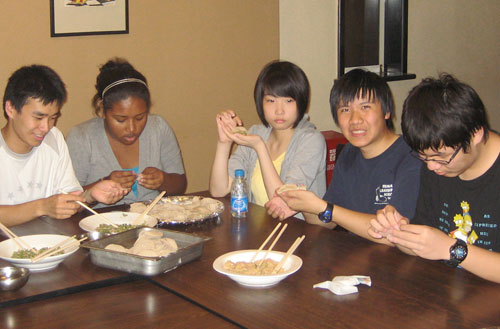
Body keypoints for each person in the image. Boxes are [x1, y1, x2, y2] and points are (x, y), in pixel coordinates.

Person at [368, 73, 500, 283]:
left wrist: (452, 250)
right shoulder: (435, 165)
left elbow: (442, 248)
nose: (431, 166)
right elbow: (429, 244)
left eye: (441, 157)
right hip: (446, 297)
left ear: (475, 134)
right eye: (423, 157)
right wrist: (398, 233)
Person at [267, 69, 421, 243]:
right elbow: (326, 222)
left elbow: (392, 236)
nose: (355, 119)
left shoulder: (410, 155)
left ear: (387, 111)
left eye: (365, 107)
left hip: (401, 265)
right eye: (345, 109)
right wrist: (301, 204)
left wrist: (326, 209)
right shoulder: (349, 153)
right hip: (354, 260)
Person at [0, 64, 127, 226]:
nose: (46, 127)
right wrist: (41, 207)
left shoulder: (53, 139)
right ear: (10, 109)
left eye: (53, 117)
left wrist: (90, 196)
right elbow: (47, 207)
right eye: (38, 117)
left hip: (51, 243)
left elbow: (66, 201)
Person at [209, 60, 326, 215]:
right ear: (260, 102)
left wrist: (260, 147)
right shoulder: (257, 132)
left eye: (288, 101)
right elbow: (219, 190)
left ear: (301, 102)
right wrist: (224, 143)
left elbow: (283, 204)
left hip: (298, 233)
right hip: (259, 232)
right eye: (271, 100)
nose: (279, 110)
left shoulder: (311, 141)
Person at [67, 58, 186, 207]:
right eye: (121, 119)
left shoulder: (158, 128)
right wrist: (103, 183)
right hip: (102, 223)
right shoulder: (82, 137)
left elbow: (180, 185)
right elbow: (69, 201)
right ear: (102, 109)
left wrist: (163, 180)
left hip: (153, 223)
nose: (132, 129)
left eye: (140, 118)